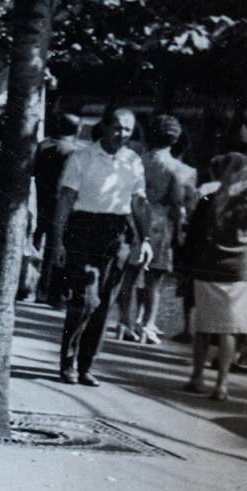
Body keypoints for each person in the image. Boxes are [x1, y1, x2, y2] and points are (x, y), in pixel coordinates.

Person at [53, 104, 152, 386]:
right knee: (85, 298)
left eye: (128, 130)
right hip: (84, 228)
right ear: (106, 127)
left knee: (105, 302)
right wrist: (58, 241)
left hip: (117, 232)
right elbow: (65, 201)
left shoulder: (133, 160)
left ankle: (85, 366)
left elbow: (138, 202)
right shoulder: (81, 158)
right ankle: (68, 361)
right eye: (118, 128)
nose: (123, 134)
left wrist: (145, 240)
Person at [184, 156, 247, 399]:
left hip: (208, 268)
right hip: (241, 271)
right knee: (229, 330)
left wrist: (187, 268)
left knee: (203, 327)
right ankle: (221, 385)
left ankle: (197, 377)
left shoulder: (208, 201)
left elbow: (193, 238)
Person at [113, 114, 186, 345]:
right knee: (155, 277)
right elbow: (176, 202)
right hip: (160, 222)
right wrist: (180, 231)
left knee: (130, 272)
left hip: (135, 215)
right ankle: (147, 323)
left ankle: (124, 321)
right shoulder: (176, 168)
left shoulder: (138, 161)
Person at [31, 112, 81, 307]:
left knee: (35, 242)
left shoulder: (43, 145)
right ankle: (48, 290)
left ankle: (28, 286)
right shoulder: (73, 151)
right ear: (77, 129)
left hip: (40, 199)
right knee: (55, 247)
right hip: (60, 202)